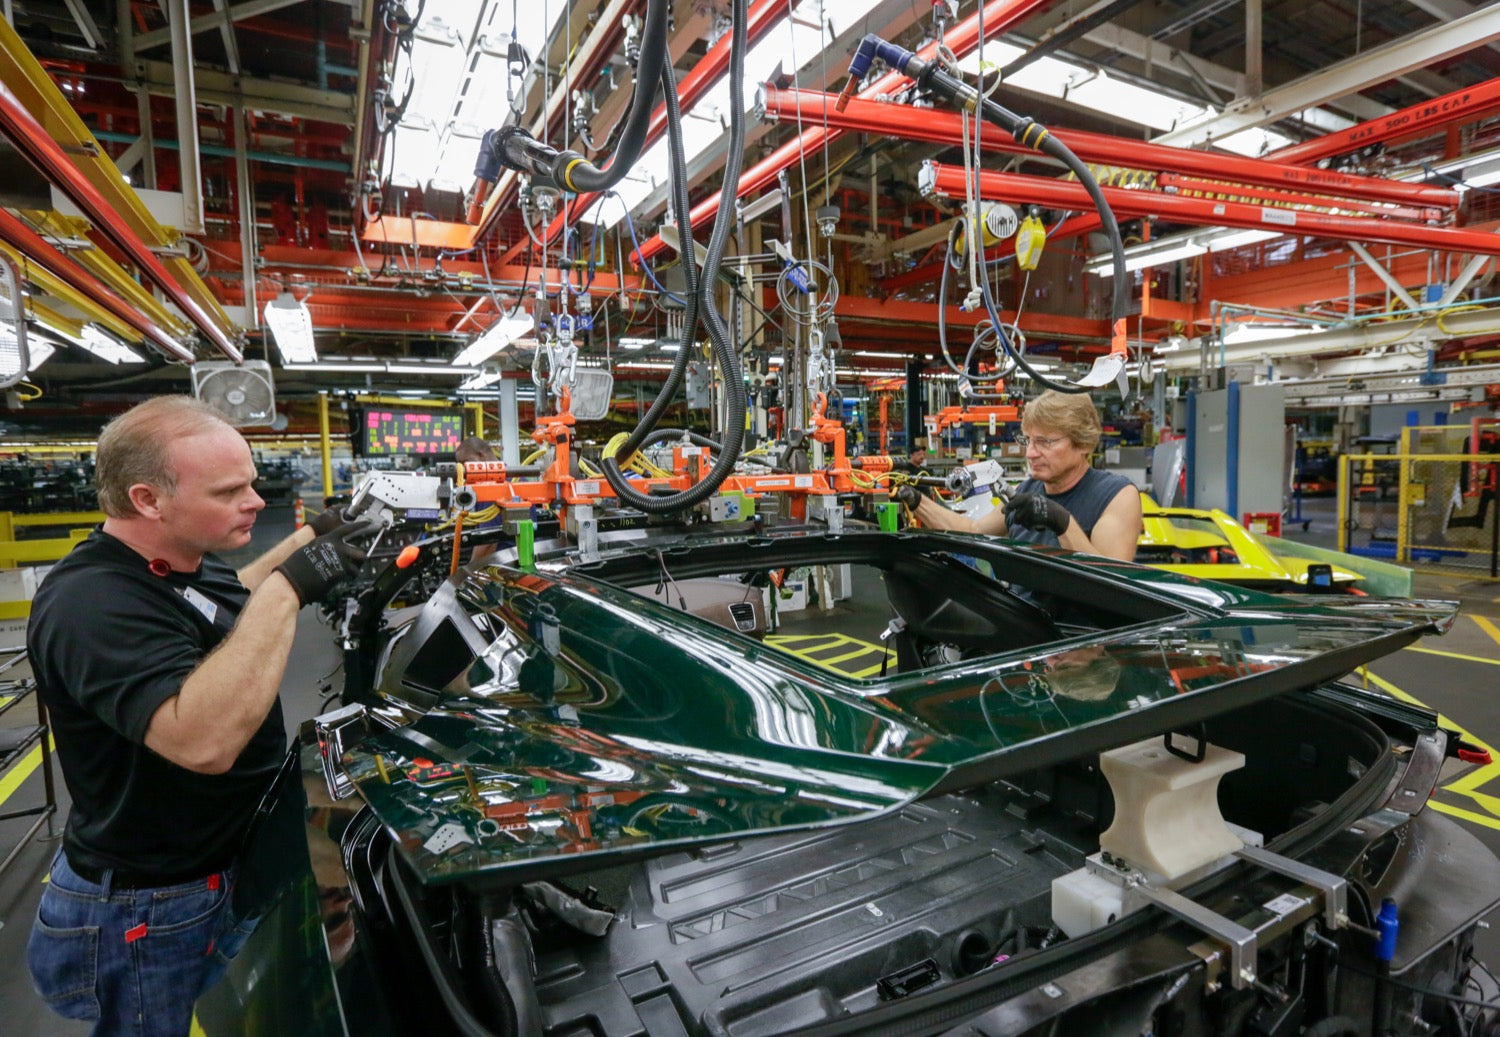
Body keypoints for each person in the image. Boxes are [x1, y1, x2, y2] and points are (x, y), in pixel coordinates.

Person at [26, 396, 370, 1037]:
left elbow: (223, 602)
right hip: (148, 905)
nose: (257, 501)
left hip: (211, 866)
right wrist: (293, 587)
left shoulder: (172, 563)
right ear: (149, 500)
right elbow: (203, 740)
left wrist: (313, 538)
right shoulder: (92, 603)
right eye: (230, 490)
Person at [896, 390, 1142, 562]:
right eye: (1028, 440)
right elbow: (972, 530)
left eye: (1045, 441)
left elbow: (1112, 583)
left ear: (1083, 444)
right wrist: (916, 500)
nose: (1031, 453)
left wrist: (1061, 522)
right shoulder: (1029, 490)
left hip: (1078, 633)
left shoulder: (1115, 496)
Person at [454, 436, 507, 564]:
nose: (463, 469)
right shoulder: (514, 478)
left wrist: (466, 574)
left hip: (504, 564)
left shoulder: (492, 486)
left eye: (465, 462)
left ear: (481, 456)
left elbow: (488, 542)